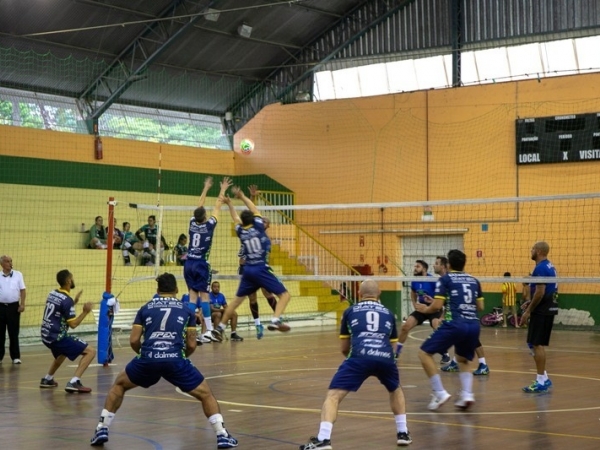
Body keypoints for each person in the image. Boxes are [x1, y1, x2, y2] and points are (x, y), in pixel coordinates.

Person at [90, 273, 238, 448]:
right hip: (176, 360)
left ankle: (102, 428)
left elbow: (133, 340)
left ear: (157, 289)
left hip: (148, 359)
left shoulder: (145, 309)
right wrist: (179, 357)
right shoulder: (187, 310)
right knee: (206, 394)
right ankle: (221, 435)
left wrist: (144, 354)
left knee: (119, 385)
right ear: (176, 289)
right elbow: (191, 344)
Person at [299, 279, 412, 449]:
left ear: (359, 294)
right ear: (379, 293)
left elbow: (344, 347)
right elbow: (394, 347)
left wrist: (353, 359)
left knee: (333, 396)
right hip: (385, 357)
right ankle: (402, 433)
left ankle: (323, 439)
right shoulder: (388, 313)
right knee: (395, 388)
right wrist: (387, 360)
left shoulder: (350, 311)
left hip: (359, 356)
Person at [212, 186, 291, 340]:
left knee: (236, 301)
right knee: (285, 295)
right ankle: (275, 320)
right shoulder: (259, 227)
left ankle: (220, 328)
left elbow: (235, 218)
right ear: (257, 221)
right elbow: (254, 208)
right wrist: (242, 196)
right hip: (260, 268)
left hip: (247, 270)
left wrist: (230, 204)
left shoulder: (241, 231)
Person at [416, 249, 484, 411]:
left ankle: (440, 392)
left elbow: (437, 306)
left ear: (448, 265)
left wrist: (424, 309)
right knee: (462, 359)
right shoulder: (474, 281)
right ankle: (467, 394)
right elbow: (480, 306)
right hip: (473, 325)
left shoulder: (445, 279)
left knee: (424, 354)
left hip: (456, 323)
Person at [184, 177, 231, 344]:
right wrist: (222, 189)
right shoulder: (209, 225)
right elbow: (218, 205)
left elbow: (199, 205)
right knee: (204, 296)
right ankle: (209, 330)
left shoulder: (191, 223)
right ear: (205, 216)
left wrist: (205, 188)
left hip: (188, 263)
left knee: (191, 297)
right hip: (201, 264)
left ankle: (190, 329)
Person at [39, 269, 96, 393]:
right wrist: (85, 311)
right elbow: (73, 324)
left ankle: (48, 379)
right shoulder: (67, 300)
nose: (73, 280)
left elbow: (59, 310)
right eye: (72, 278)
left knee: (62, 352)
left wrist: (73, 303)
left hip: (45, 334)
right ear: (68, 281)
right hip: (56, 337)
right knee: (91, 351)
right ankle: (74, 382)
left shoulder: (52, 293)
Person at [437, 256, 490, 376]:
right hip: (458, 316)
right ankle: (455, 362)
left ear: (445, 266)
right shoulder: (446, 279)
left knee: (472, 340)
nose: (434, 265)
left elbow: (478, 306)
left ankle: (483, 364)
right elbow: (448, 302)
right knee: (459, 338)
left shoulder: (447, 280)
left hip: (463, 317)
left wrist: (465, 309)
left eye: (436, 263)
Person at [239, 185, 278, 340]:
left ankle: (276, 319)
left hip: (258, 267)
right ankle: (257, 324)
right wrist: (252, 197)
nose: (262, 220)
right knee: (252, 298)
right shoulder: (249, 228)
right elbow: (251, 214)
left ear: (266, 226)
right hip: (245, 268)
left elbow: (254, 216)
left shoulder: (263, 237)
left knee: (267, 293)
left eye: (265, 221)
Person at [519, 241, 558, 393]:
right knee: (533, 343)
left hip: (543, 309)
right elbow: (542, 290)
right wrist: (530, 302)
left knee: (537, 344)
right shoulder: (549, 266)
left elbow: (540, 291)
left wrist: (528, 310)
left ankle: (541, 381)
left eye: (533, 249)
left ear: (539, 251)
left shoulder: (540, 268)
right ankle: (544, 378)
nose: (531, 251)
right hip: (548, 306)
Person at [396, 260, 449, 364]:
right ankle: (396, 353)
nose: (415, 268)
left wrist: (434, 303)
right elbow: (413, 292)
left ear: (424, 269)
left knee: (436, 326)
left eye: (417, 266)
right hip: (421, 308)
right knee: (405, 327)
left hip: (433, 307)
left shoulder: (433, 280)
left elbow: (442, 298)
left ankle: (445, 354)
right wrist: (414, 303)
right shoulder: (415, 280)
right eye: (415, 266)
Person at [0, 255, 26, 364]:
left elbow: (23, 290)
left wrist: (22, 304)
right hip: (0, 307)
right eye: (7, 261)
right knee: (0, 333)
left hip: (14, 307)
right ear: (2, 264)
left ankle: (15, 356)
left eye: (11, 261)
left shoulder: (18, 275)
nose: (10, 263)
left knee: (14, 332)